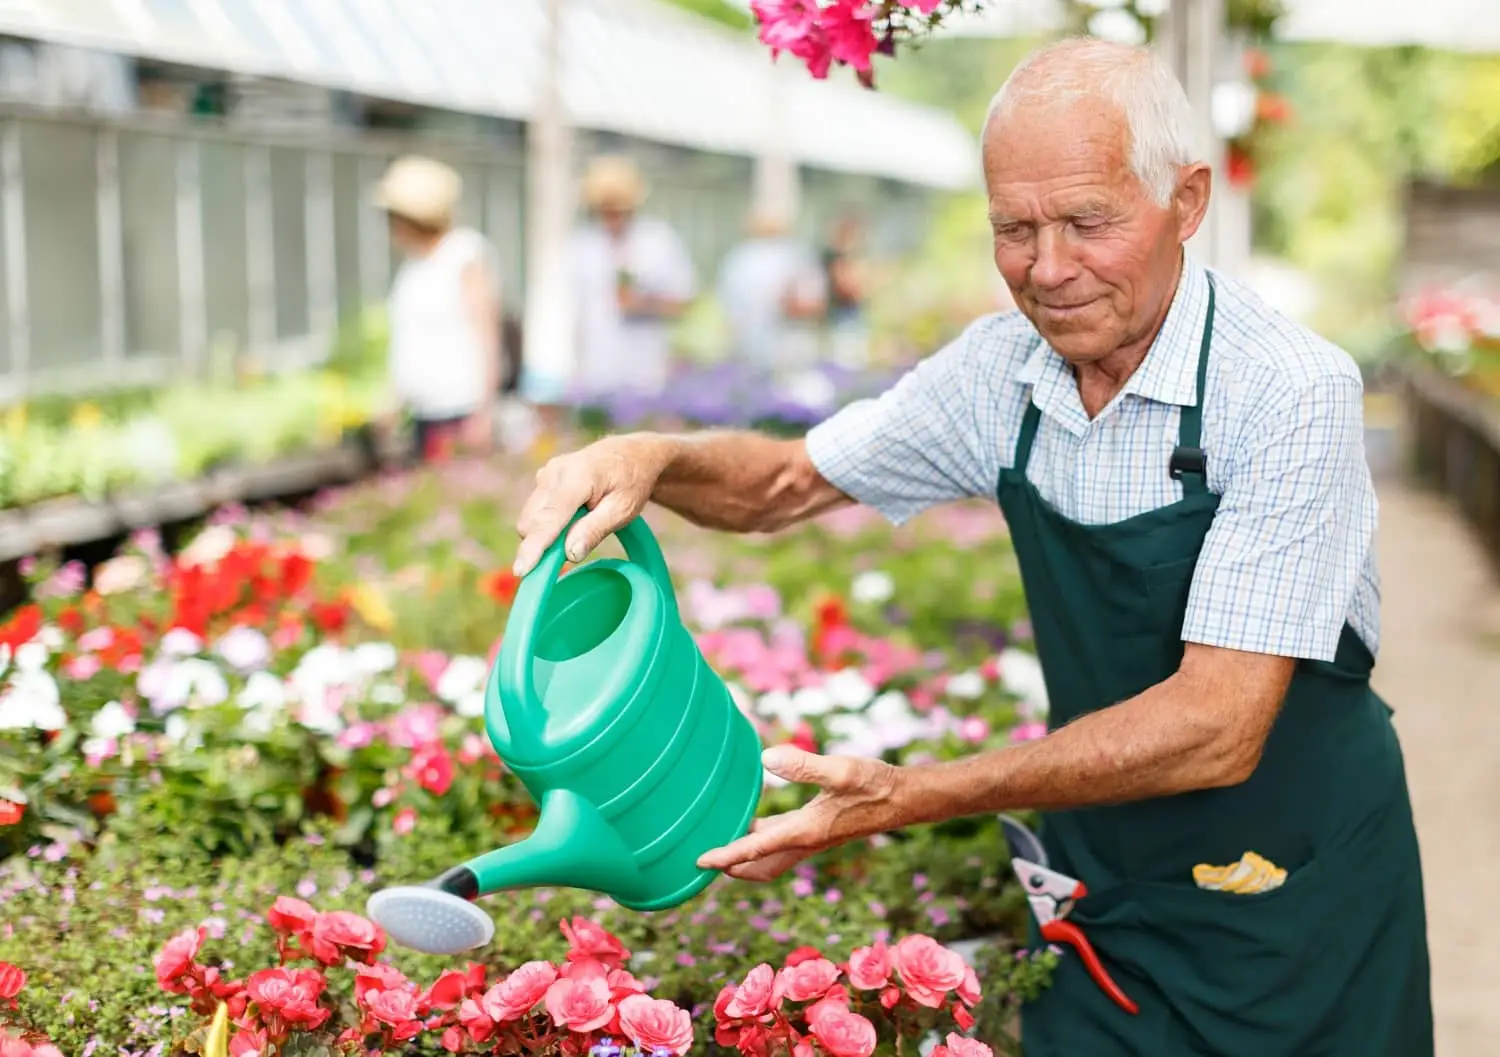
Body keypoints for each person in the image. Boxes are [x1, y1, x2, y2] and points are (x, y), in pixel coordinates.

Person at [509, 38, 1433, 1057]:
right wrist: (653, 455)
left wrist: (910, 796)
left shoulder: (1288, 389)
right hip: (1105, 880)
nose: (1047, 269)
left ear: (1188, 199)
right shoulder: (1004, 372)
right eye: (1013, 229)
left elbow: (1217, 726)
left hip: (1296, 893)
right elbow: (784, 484)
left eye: (1088, 222)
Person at [375, 155, 503, 462]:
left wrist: (485, 411)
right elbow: (409, 340)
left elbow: (487, 334)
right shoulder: (413, 266)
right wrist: (394, 399)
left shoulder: (464, 255)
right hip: (424, 409)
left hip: (460, 408)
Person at [567, 156, 697, 398]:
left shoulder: (659, 241)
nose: (612, 217)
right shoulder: (581, 246)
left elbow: (684, 303)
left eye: (618, 209)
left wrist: (643, 304)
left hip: (648, 373)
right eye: (605, 209)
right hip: (596, 373)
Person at [716, 208, 827, 372]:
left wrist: (789, 305)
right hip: (751, 347)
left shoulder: (796, 254)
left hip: (792, 345)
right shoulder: (741, 256)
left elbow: (815, 304)